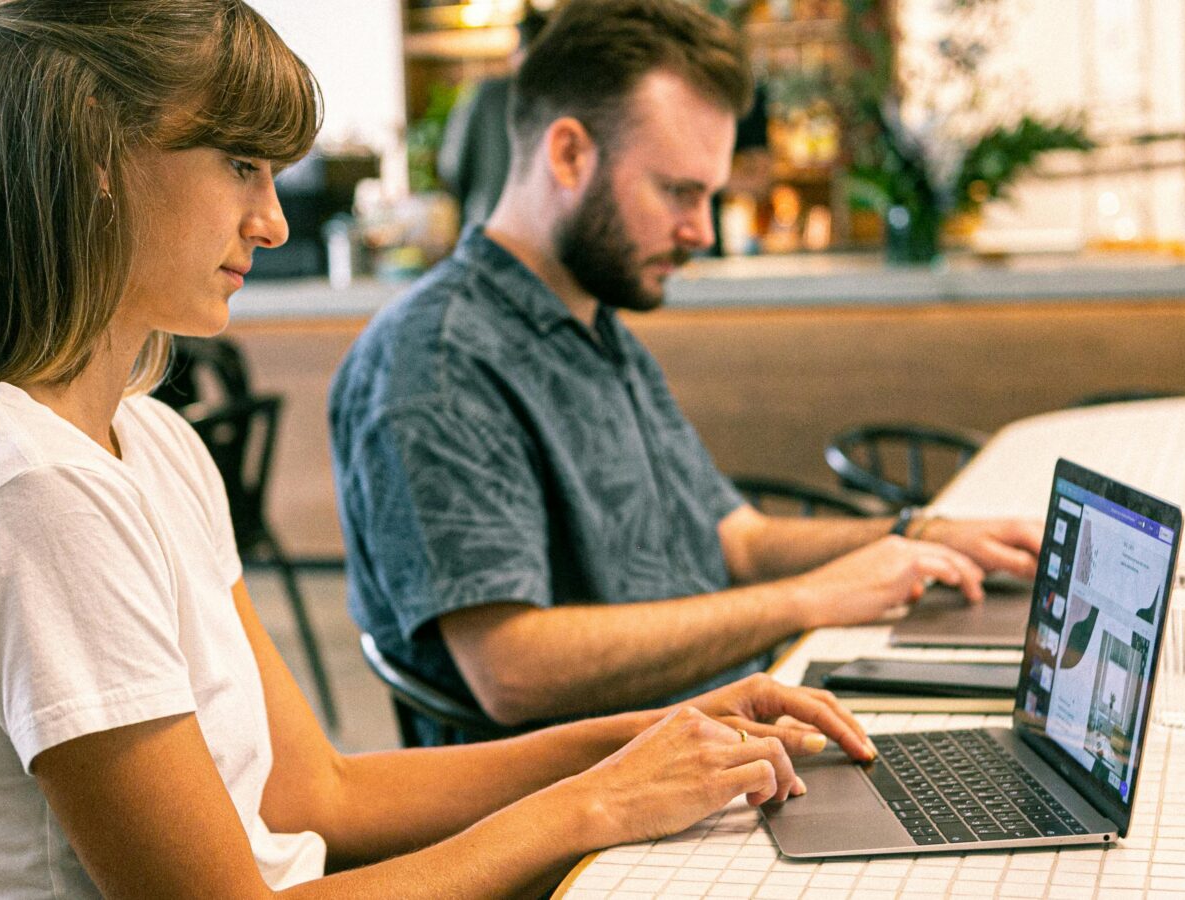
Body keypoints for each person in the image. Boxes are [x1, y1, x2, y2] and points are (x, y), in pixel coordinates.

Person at [0, 2, 874, 897]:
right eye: (241, 166)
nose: (270, 222)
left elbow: (321, 794)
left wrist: (664, 732)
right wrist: (594, 804)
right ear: (94, 157)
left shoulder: (149, 438)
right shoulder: (30, 493)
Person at [330, 0, 1043, 747]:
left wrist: (920, 535)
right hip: (596, 795)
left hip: (716, 735)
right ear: (568, 155)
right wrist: (806, 600)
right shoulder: (438, 361)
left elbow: (737, 540)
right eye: (678, 191)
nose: (701, 231)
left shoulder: (593, 324)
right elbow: (511, 670)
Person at [436, 8, 547, 228]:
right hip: (543, 231)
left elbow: (452, 165)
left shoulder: (486, 94)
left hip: (487, 224)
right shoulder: (563, 98)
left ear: (516, 53)